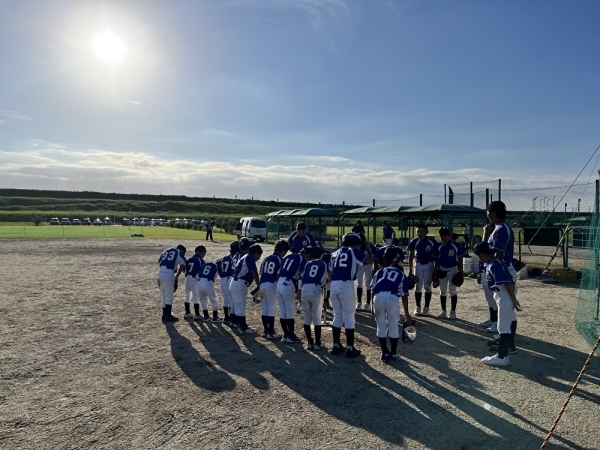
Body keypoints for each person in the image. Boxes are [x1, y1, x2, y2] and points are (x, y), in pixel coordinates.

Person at [474, 242, 521, 367]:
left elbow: (506, 282)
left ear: (483, 254)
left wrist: (513, 299)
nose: (479, 258)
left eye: (478, 256)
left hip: (503, 295)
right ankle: (508, 349)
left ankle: (501, 357)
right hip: (503, 294)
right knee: (510, 322)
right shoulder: (494, 262)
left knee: (503, 327)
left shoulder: (495, 264)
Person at [328, 232, 373, 358]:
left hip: (334, 284)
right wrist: (368, 249)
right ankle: (350, 347)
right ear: (354, 244)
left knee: (337, 315)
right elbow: (370, 261)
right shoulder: (353, 251)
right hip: (346, 284)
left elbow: (330, 272)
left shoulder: (334, 253)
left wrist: (333, 285)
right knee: (349, 316)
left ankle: (336, 345)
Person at [370, 247, 413, 362]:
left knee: (381, 326)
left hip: (378, 297)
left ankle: (384, 353)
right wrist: (407, 314)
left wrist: (371, 306)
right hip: (392, 298)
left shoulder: (380, 271)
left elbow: (372, 289)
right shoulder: (401, 274)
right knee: (393, 327)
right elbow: (404, 296)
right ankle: (393, 354)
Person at [482, 201, 517, 333]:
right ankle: (503, 332)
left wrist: (492, 267)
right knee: (503, 304)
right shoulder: (499, 227)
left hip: (503, 270)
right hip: (502, 269)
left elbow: (499, 254)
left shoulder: (501, 229)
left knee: (504, 305)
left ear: (492, 212)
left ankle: (504, 334)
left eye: (488, 211)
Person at [259, 240, 290, 339]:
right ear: (283, 251)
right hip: (272, 284)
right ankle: (271, 331)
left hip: (262, 283)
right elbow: (280, 273)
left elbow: (261, 272)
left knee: (264, 308)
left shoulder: (266, 258)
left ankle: (266, 330)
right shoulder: (280, 259)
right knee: (271, 308)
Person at [229, 243, 263, 334]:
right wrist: (258, 285)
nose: (259, 257)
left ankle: (236, 323)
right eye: (259, 255)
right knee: (240, 305)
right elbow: (254, 273)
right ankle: (243, 327)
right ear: (255, 253)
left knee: (236, 304)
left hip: (235, 282)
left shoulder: (245, 256)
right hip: (240, 283)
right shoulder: (250, 258)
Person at [299, 246, 328, 350]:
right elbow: (324, 280)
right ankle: (317, 343)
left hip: (305, 289)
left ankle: (309, 342)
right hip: (315, 289)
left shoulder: (308, 263)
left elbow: (301, 277)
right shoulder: (323, 263)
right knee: (317, 317)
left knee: (306, 317)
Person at [433, 228, 464, 319]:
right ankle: (443, 311)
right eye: (442, 237)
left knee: (452, 290)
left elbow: (460, 258)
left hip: (453, 268)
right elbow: (437, 258)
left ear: (449, 236)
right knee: (442, 291)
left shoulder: (456, 245)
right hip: (442, 268)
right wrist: (437, 268)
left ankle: (453, 311)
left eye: (446, 237)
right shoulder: (439, 246)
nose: (444, 239)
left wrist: (460, 270)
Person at [276, 248, 306, 343]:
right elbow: (301, 276)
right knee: (290, 311)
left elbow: (278, 272)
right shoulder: (302, 259)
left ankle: (286, 335)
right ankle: (291, 335)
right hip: (288, 283)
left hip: (279, 283)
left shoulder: (288, 256)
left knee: (283, 311)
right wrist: (299, 290)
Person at [408, 225, 437, 316]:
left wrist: (436, 268)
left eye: (422, 231)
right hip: (418, 264)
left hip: (429, 264)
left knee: (427, 286)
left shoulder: (432, 241)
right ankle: (418, 306)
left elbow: (436, 255)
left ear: (426, 232)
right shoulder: (415, 241)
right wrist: (410, 268)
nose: (420, 233)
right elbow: (411, 255)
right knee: (418, 286)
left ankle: (426, 307)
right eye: (418, 231)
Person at [157, 244, 187, 322]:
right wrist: (176, 277)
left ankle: (164, 315)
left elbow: (160, 263)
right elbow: (182, 265)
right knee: (169, 294)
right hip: (169, 273)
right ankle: (168, 315)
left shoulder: (165, 251)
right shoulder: (178, 252)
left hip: (160, 272)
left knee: (163, 294)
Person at [217, 241, 238, 325]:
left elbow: (218, 265)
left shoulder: (224, 258)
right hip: (230, 279)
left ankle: (226, 317)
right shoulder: (235, 258)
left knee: (225, 299)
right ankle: (232, 318)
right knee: (232, 299)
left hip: (223, 279)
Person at [355, 233, 377, 312]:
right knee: (359, 283)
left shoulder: (369, 245)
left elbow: (375, 254)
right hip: (360, 265)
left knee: (368, 283)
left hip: (368, 265)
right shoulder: (357, 246)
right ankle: (359, 302)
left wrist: (368, 248)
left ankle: (368, 303)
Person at [184, 246, 205, 320]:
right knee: (196, 297)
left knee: (187, 296)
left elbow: (185, 270)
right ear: (201, 253)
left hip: (187, 278)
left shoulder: (189, 259)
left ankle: (187, 313)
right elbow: (201, 271)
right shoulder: (200, 260)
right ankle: (197, 314)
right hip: (194, 279)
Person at [198, 258, 223, 322]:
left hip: (199, 282)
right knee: (214, 300)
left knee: (203, 300)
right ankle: (215, 317)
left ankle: (206, 316)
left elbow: (198, 274)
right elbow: (221, 276)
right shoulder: (217, 267)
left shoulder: (205, 265)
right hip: (208, 283)